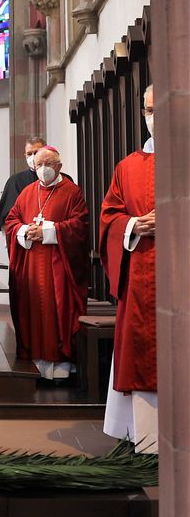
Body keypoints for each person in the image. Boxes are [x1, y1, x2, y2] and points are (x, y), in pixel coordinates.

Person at [100, 85, 158, 452]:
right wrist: (133, 226)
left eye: (158, 108)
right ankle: (141, 435)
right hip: (140, 278)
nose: (153, 116)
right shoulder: (128, 166)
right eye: (148, 110)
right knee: (138, 352)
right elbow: (110, 217)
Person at [3, 147, 90, 380]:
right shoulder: (28, 192)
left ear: (59, 166)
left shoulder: (72, 192)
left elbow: (80, 226)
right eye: (39, 164)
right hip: (31, 265)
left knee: (57, 310)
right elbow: (11, 220)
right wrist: (24, 230)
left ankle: (61, 367)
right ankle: (35, 363)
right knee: (33, 310)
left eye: (48, 164)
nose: (43, 169)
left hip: (59, 265)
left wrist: (48, 231)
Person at [0, 135, 46, 231]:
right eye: (29, 154)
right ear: (25, 155)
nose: (33, 157)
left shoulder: (62, 179)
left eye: (36, 152)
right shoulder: (15, 181)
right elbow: (8, 217)